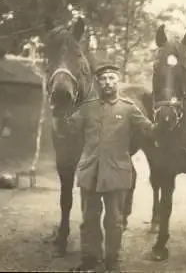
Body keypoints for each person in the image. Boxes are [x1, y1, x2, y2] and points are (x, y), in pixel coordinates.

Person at [68, 62, 156, 272]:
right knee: (89, 220)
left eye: (111, 79)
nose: (107, 83)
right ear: (98, 82)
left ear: (118, 82)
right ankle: (90, 260)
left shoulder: (128, 108)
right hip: (90, 172)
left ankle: (112, 262)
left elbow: (150, 130)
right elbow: (69, 128)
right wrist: (61, 105)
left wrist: (166, 122)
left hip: (116, 173)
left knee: (114, 222)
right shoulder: (87, 108)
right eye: (103, 79)